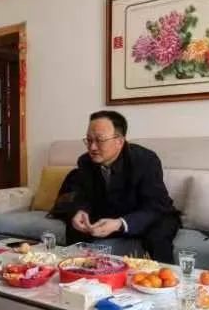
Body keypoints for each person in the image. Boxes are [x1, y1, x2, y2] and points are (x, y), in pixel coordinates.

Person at [62, 110, 180, 263]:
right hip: (109, 214)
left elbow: (155, 206)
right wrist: (81, 211)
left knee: (158, 236)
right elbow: (83, 195)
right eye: (89, 140)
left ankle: (165, 276)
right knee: (75, 226)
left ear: (119, 141)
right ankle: (75, 270)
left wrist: (120, 223)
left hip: (149, 214)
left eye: (100, 140)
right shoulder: (85, 161)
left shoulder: (145, 160)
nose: (92, 147)